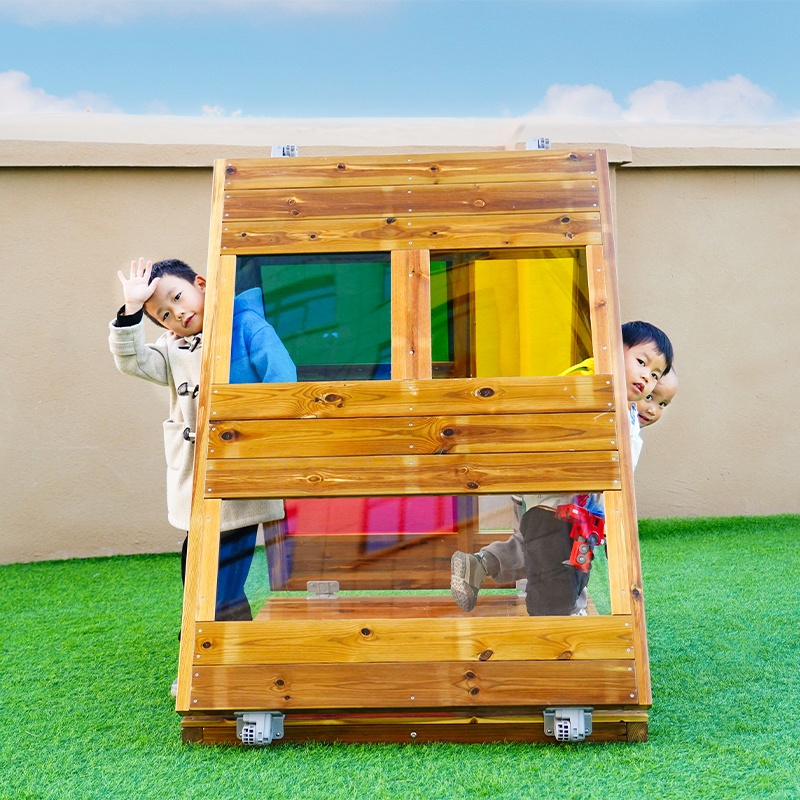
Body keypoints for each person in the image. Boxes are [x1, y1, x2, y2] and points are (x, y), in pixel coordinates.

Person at [108, 257, 296, 662]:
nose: (178, 313)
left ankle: (212, 662)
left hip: (238, 472)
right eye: (164, 315)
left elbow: (282, 382)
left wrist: (254, 432)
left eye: (178, 297)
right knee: (196, 571)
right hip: (196, 479)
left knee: (222, 577)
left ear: (202, 284)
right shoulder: (171, 349)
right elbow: (132, 361)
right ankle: (224, 656)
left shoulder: (245, 325)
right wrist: (131, 310)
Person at [451, 321, 674, 615]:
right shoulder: (593, 381)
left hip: (552, 497)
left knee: (532, 548)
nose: (647, 377)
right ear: (611, 350)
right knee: (564, 557)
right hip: (553, 493)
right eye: (641, 363)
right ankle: (567, 614)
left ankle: (477, 565)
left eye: (654, 376)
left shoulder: (625, 409)